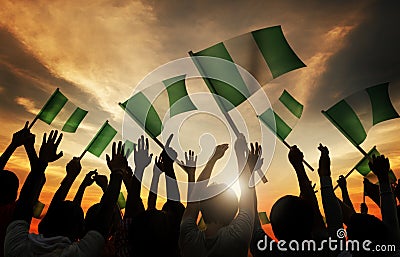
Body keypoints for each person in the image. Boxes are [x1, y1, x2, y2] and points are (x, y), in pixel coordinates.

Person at [4, 133, 126, 257]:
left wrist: (44, 163)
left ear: (46, 221)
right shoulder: (77, 254)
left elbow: (24, 204)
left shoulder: (16, 247)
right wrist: (117, 173)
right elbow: (103, 220)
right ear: (80, 230)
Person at [180, 134, 259, 257]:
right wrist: (241, 156)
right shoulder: (238, 236)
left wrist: (213, 159)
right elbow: (248, 196)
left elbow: (192, 203)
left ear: (201, 207)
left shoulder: (188, 237)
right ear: (234, 210)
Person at [0, 122, 35, 257]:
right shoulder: (12, 214)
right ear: (15, 194)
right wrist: (30, 149)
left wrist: (13, 145)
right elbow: (36, 180)